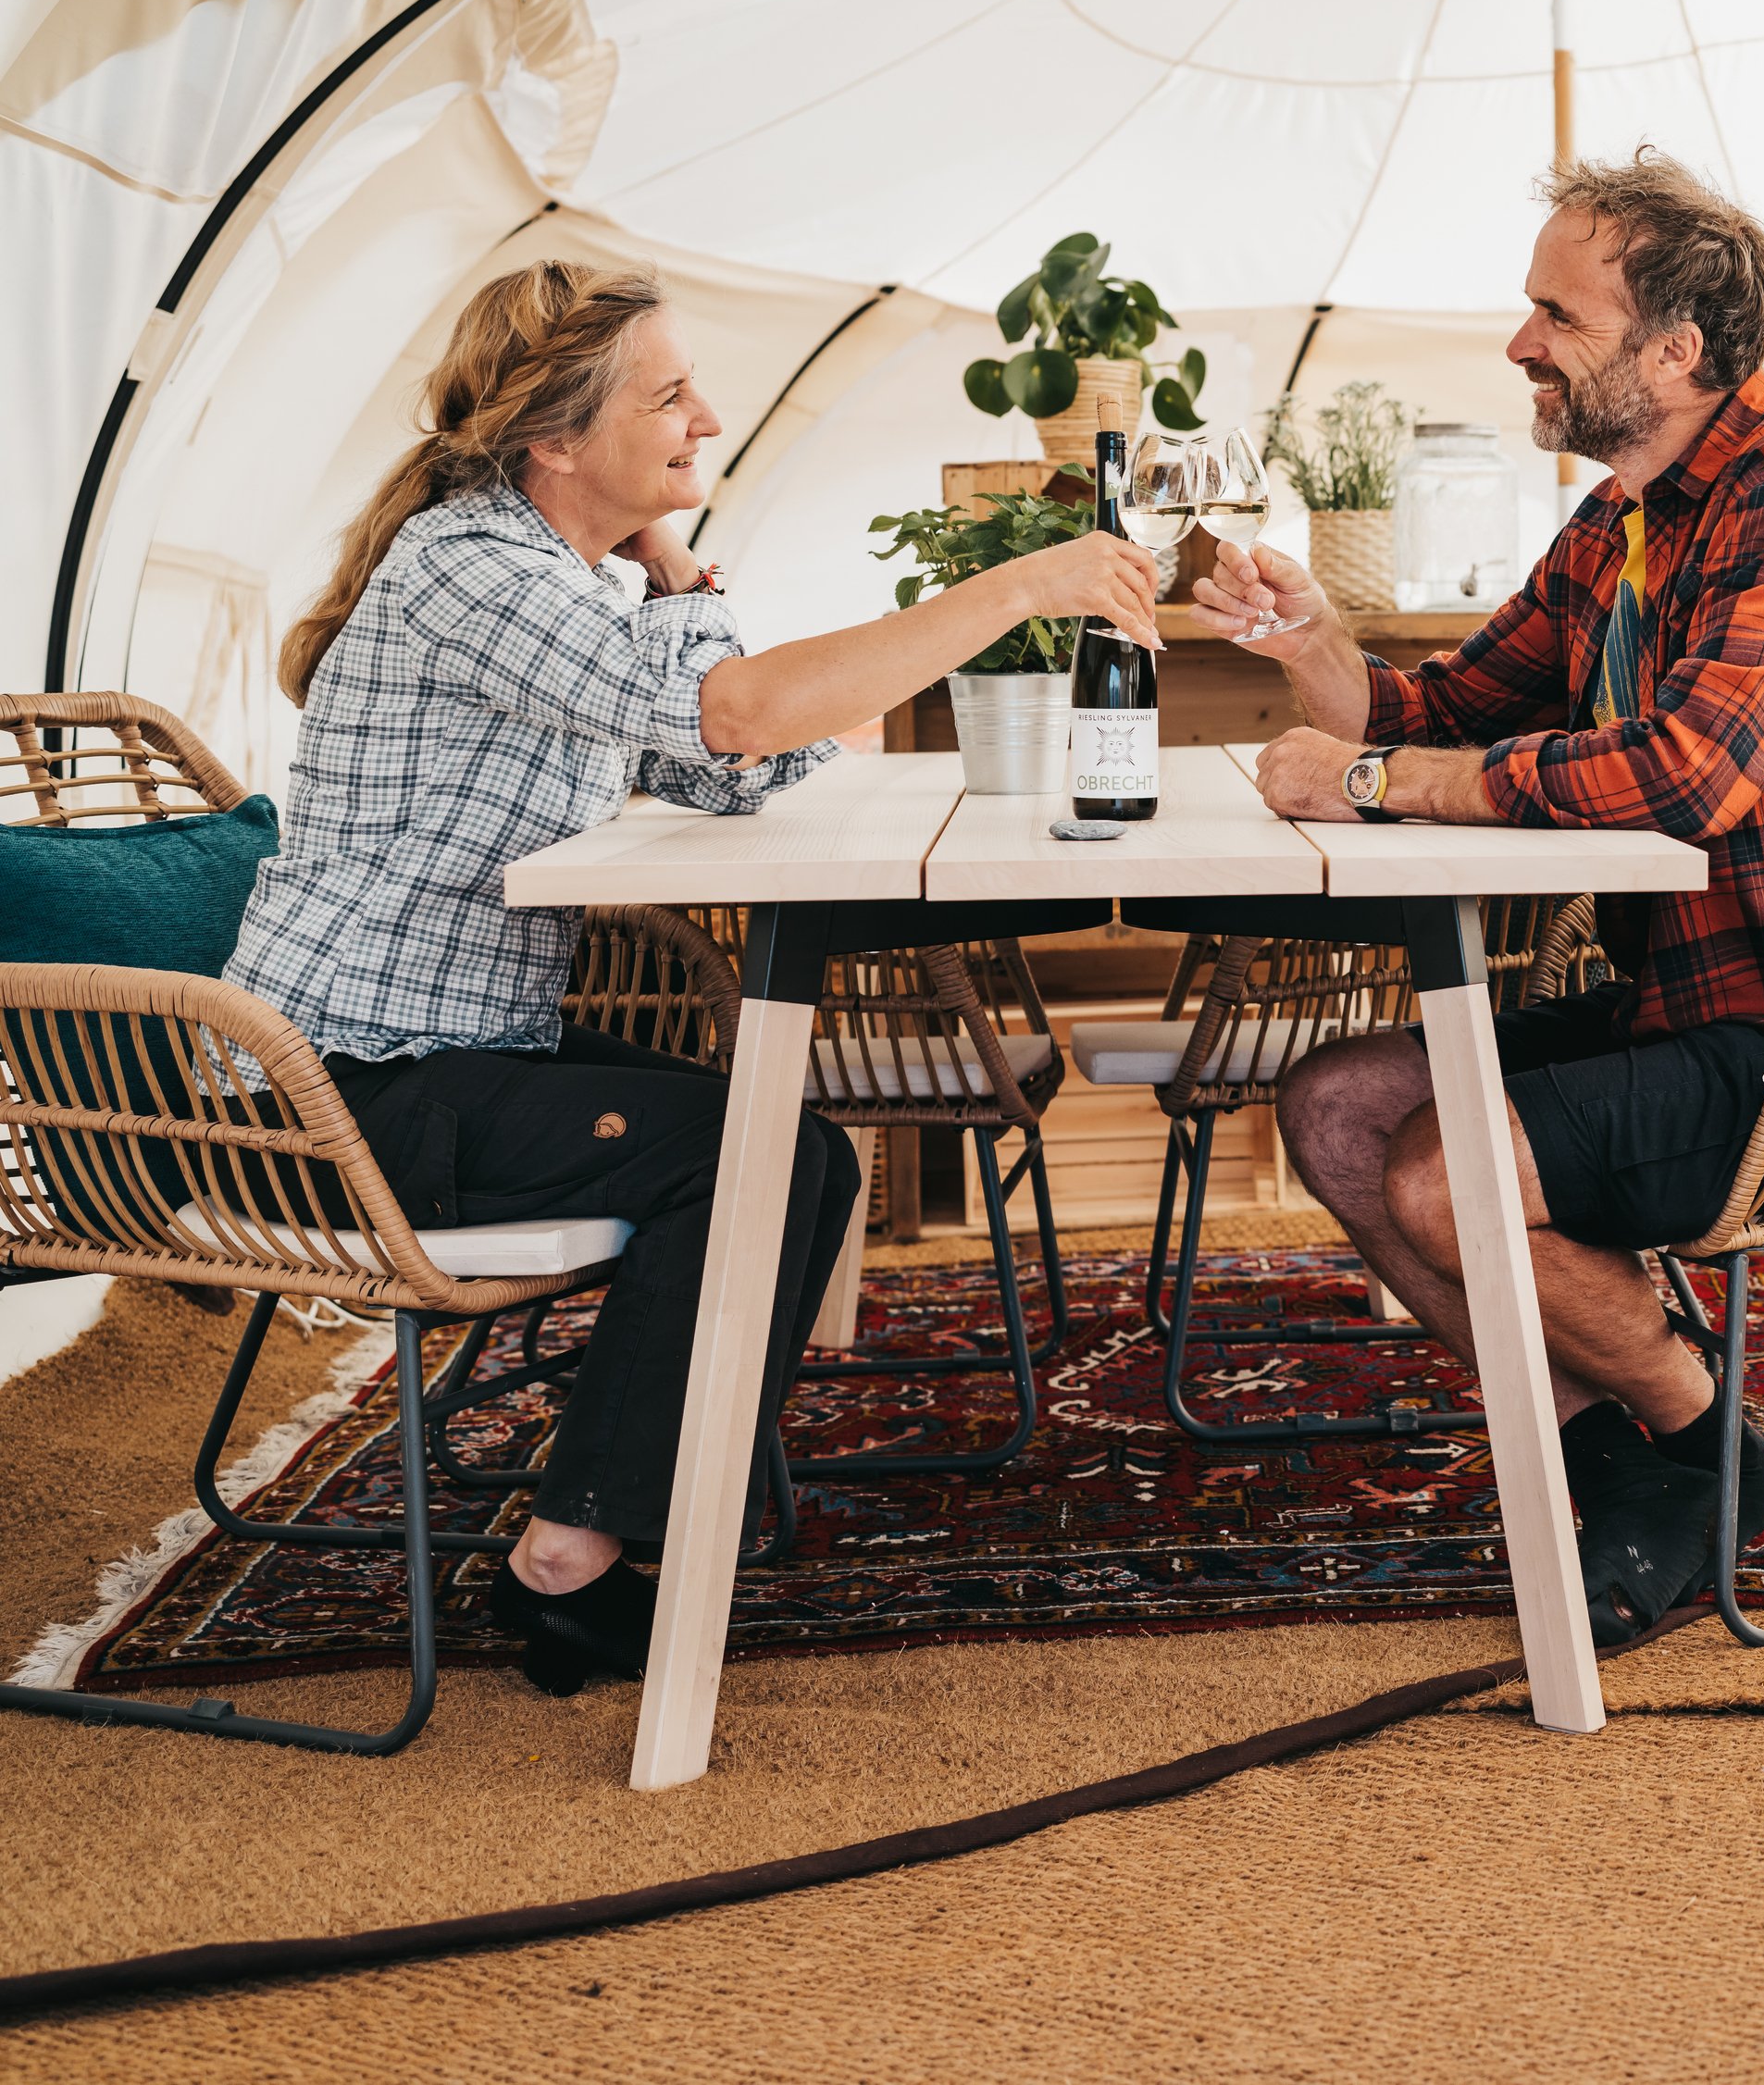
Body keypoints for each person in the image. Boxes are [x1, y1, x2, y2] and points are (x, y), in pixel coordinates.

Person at [231, 260, 1160, 1694]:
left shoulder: (564, 581)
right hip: (331, 1100)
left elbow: (744, 768)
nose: (709, 419)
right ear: (553, 438)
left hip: (452, 1057)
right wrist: (1023, 583)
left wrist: (671, 571)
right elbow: (732, 719)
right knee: (759, 1162)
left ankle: (597, 1518)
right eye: (667, 397)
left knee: (797, 1154)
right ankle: (571, 1554)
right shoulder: (470, 569)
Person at [1195, 152, 1764, 1645]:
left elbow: (1686, 774)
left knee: (1446, 1176)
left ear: (1676, 350)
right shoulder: (1627, 523)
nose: (1520, 345)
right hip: (1690, 996)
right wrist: (1312, 647)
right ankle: (1642, 1457)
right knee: (1337, 1112)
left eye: (1555, 315)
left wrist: (1372, 788)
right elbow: (1431, 705)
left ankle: (1694, 1453)